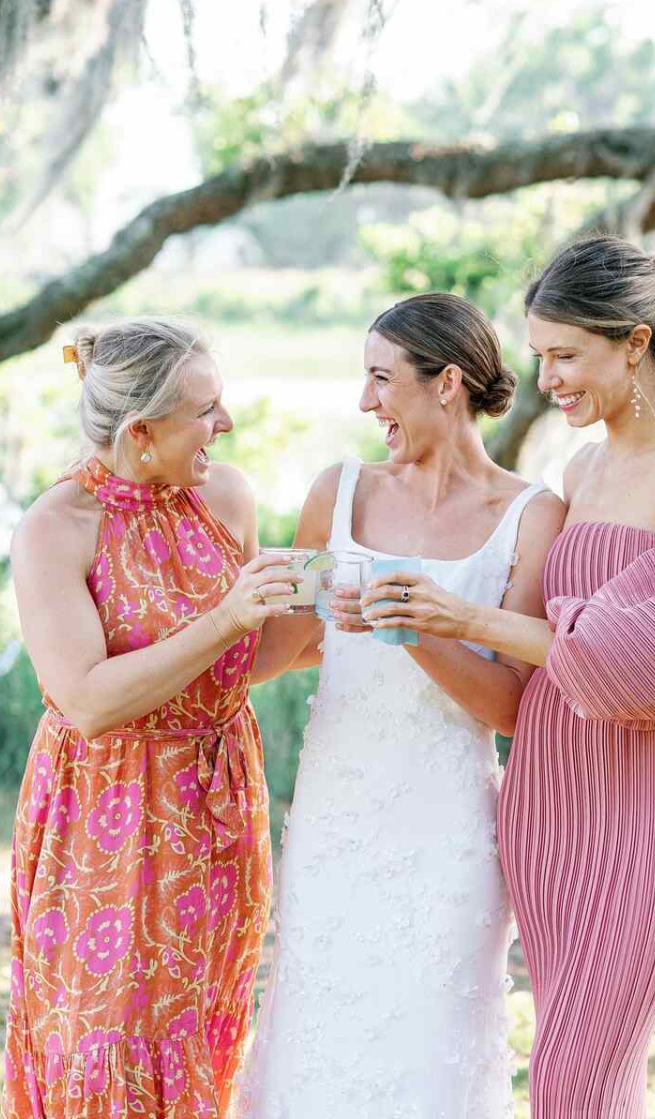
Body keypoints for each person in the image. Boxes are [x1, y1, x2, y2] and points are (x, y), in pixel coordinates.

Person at [361, 237, 655, 1118]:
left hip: (654, 805)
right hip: (549, 799)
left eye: (567, 356)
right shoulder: (578, 471)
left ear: (635, 340)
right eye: (542, 356)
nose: (549, 381)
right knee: (588, 1076)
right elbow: (540, 630)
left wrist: (463, 617)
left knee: (573, 1079)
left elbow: (653, 660)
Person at [239, 293, 565, 1118]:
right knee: (320, 1025)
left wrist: (414, 628)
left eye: (381, 379)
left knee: (429, 1040)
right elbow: (279, 652)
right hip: (336, 815)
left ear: (447, 381)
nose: (365, 403)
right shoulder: (338, 492)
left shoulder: (532, 516)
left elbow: (513, 710)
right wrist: (249, 603)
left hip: (448, 825)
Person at [4, 318, 301, 1119]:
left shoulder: (227, 496)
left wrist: (341, 602)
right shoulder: (54, 529)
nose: (226, 426)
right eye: (207, 410)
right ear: (141, 432)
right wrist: (228, 619)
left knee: (200, 1030)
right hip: (108, 809)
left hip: (217, 802)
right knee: (104, 1034)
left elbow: (247, 658)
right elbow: (88, 700)